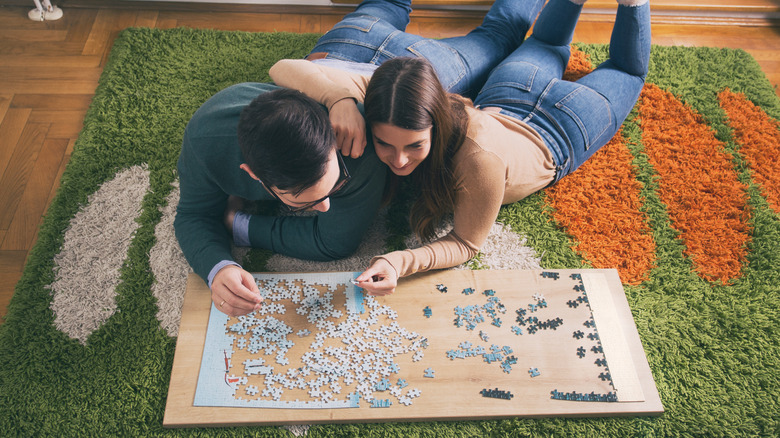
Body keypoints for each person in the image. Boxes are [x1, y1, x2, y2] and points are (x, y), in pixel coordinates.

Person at [271, 0, 652, 295]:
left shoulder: (477, 160)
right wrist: (339, 99)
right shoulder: (395, 100)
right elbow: (283, 68)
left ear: (437, 123)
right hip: (508, 93)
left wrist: (400, 260)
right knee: (545, 42)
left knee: (626, 70)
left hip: (565, 128)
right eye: (385, 144)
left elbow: (466, 242)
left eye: (415, 146)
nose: (399, 161)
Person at [275, 0, 544, 158]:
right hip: (350, 42)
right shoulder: (288, 120)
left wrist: (339, 100)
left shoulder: (296, 143)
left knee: (498, 35)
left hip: (415, 65)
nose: (400, 161)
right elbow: (285, 70)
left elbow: (282, 67)